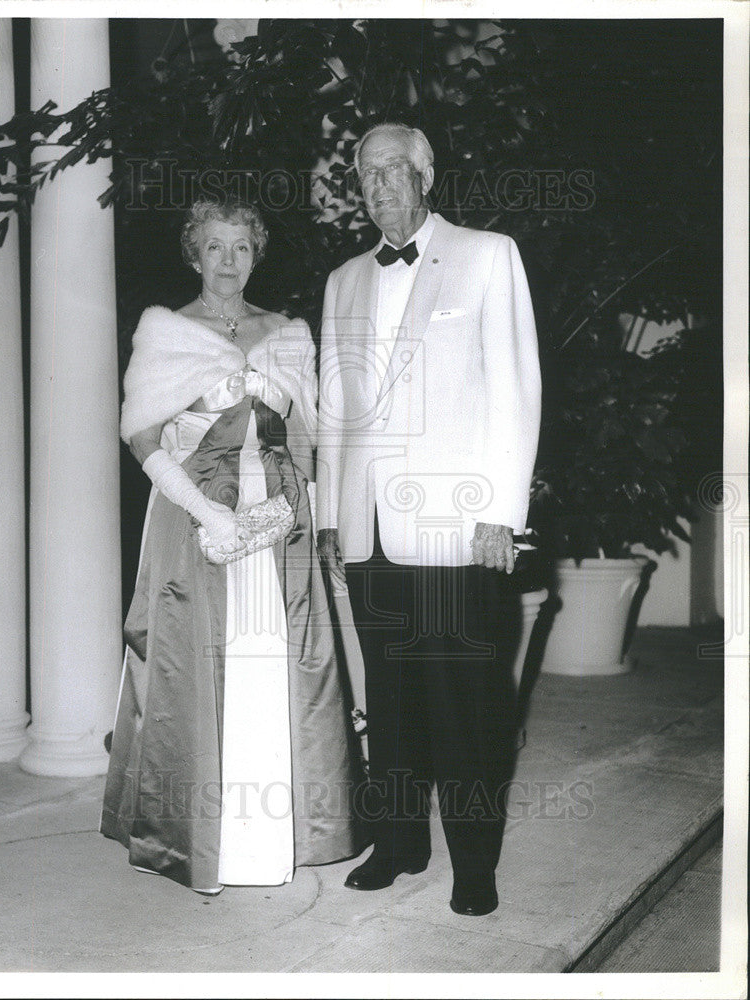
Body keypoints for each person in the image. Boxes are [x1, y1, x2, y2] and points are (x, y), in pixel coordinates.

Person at [101, 197, 363, 895]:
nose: (227, 261)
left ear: (256, 255)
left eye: (240, 248)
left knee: (276, 664)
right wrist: (204, 514)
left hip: (278, 518)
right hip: (193, 519)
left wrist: (318, 517)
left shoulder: (285, 334)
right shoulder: (166, 331)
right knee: (195, 667)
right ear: (193, 253)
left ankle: (276, 837)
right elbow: (140, 437)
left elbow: (308, 440)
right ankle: (201, 838)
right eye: (214, 247)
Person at [316, 122, 541, 916]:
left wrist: (501, 515)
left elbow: (514, 390)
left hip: (457, 527)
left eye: (392, 172)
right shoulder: (343, 279)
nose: (379, 187)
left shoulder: (486, 255)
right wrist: (330, 516)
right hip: (369, 529)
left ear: (425, 175)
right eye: (366, 175)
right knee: (392, 700)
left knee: (466, 707)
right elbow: (335, 413)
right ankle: (400, 842)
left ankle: (474, 863)